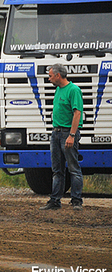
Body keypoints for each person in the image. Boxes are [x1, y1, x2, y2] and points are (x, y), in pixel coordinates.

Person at [40, 63, 84, 211]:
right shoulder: (58, 90)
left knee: (73, 167)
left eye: (50, 76)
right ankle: (55, 200)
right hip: (56, 133)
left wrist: (71, 135)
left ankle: (76, 200)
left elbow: (77, 113)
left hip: (67, 133)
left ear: (58, 75)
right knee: (57, 169)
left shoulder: (73, 90)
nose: (49, 79)